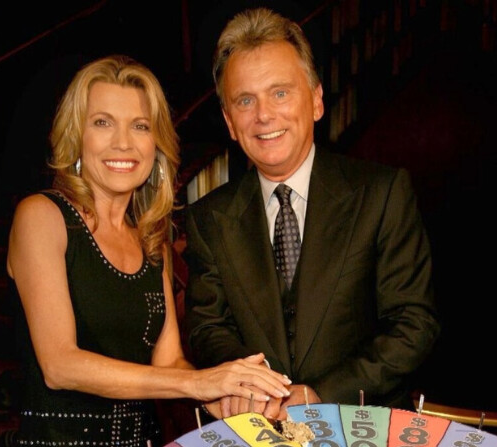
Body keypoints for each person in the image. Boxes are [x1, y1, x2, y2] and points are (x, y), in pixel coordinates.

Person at [6, 54, 291, 446]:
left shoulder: (151, 238)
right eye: (102, 123)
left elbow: (169, 361)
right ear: (76, 136)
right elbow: (60, 365)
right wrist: (198, 382)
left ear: (155, 145)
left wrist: (227, 397)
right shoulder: (42, 216)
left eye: (140, 126)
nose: (123, 142)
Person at [183, 7, 441, 421]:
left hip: (363, 425)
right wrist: (257, 386)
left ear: (317, 100)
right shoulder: (207, 218)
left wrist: (322, 394)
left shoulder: (383, 192)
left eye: (280, 92)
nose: (264, 115)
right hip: (258, 431)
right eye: (245, 100)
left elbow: (413, 324)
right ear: (230, 122)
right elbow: (207, 328)